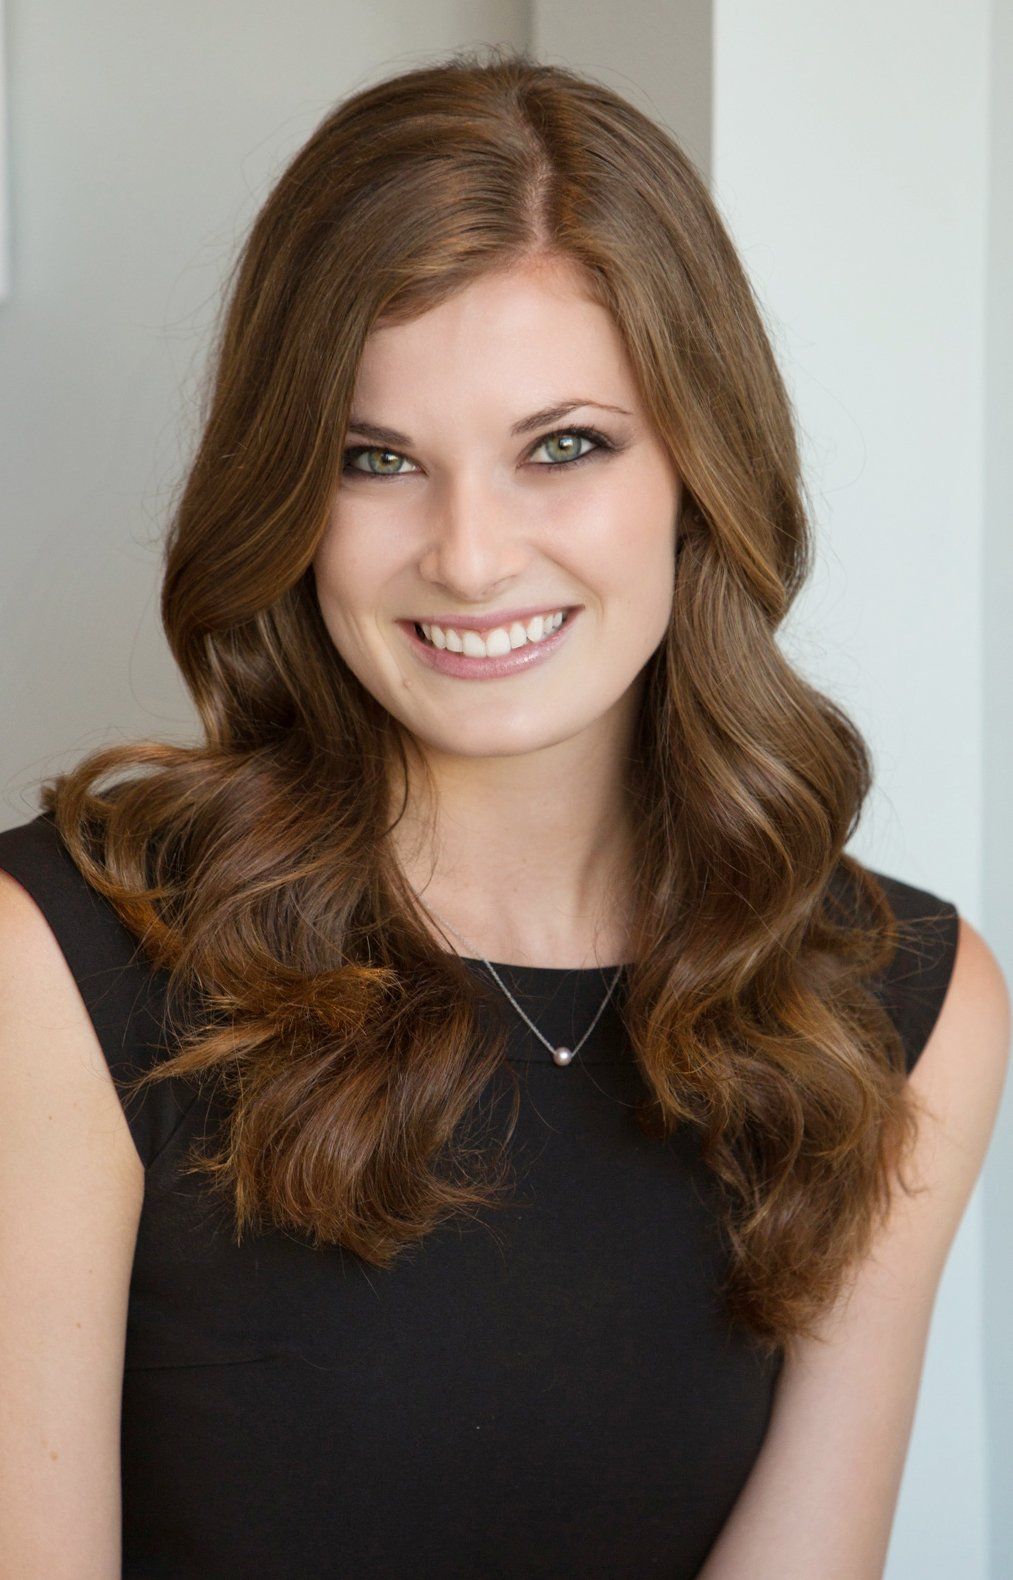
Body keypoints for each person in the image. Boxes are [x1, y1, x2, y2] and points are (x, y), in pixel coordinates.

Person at [0, 43, 1008, 1580]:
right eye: (375, 460)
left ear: (697, 467)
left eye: (562, 446)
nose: (469, 557)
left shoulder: (900, 1008)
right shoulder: (58, 967)